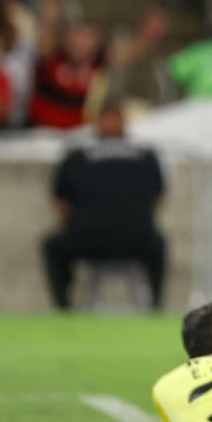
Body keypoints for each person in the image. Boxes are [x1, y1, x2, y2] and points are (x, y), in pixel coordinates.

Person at [41, 98, 167, 311]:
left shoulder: (78, 156)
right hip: (129, 238)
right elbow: (157, 200)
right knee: (157, 244)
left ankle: (63, 308)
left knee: (53, 246)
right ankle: (154, 307)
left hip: (93, 238)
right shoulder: (145, 156)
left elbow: (60, 202)